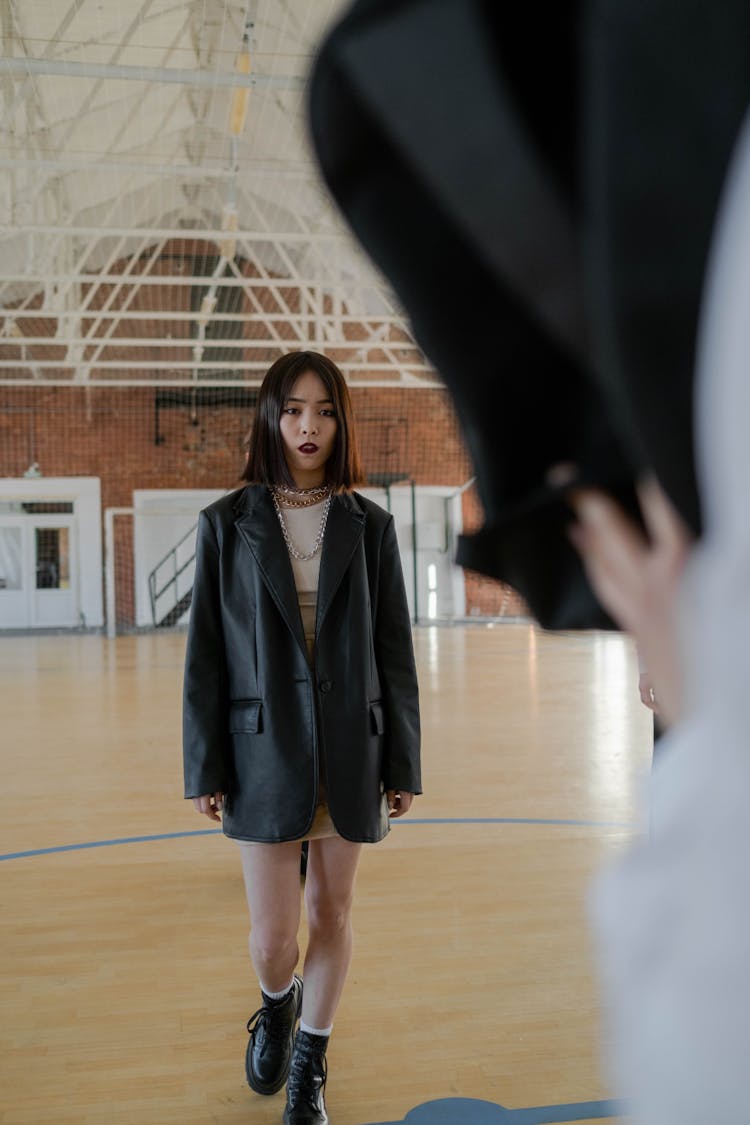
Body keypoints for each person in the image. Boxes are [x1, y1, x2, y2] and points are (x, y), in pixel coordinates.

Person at [182, 350, 421, 1125]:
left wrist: (403, 756)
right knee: (273, 936)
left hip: (354, 746)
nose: (309, 426)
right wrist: (204, 763)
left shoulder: (371, 526)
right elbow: (206, 656)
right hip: (264, 753)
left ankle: (309, 1066)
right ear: (271, 417)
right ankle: (275, 1003)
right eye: (293, 409)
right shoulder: (226, 524)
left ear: (341, 420)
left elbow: (394, 649)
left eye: (323, 410)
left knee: (335, 910)